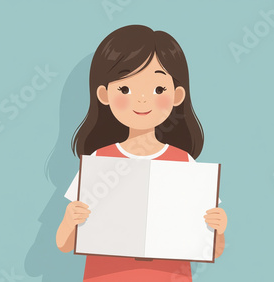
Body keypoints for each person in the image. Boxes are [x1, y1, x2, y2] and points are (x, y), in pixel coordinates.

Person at [56, 25, 227, 281]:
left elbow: (212, 248)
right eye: (125, 89)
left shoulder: (184, 164)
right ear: (104, 94)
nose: (143, 99)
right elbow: (64, 244)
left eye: (158, 89)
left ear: (177, 95)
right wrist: (70, 220)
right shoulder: (99, 162)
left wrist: (219, 229)